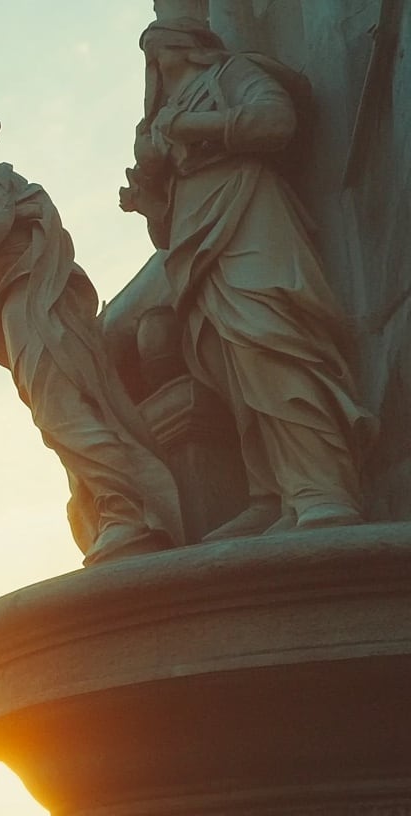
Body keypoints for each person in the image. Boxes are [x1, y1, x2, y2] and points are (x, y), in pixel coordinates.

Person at [120, 18, 373, 539]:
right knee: (225, 360)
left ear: (189, 45)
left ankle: (321, 487)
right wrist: (149, 199)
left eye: (158, 46)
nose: (153, 60)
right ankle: (271, 493)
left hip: (248, 211)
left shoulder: (230, 74)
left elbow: (276, 122)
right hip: (197, 239)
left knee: (270, 340)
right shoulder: (164, 116)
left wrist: (193, 126)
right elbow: (167, 234)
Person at [0, 100, 182, 564]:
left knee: (61, 412)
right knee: (57, 413)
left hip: (33, 304)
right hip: (18, 305)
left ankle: (127, 512)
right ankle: (117, 511)